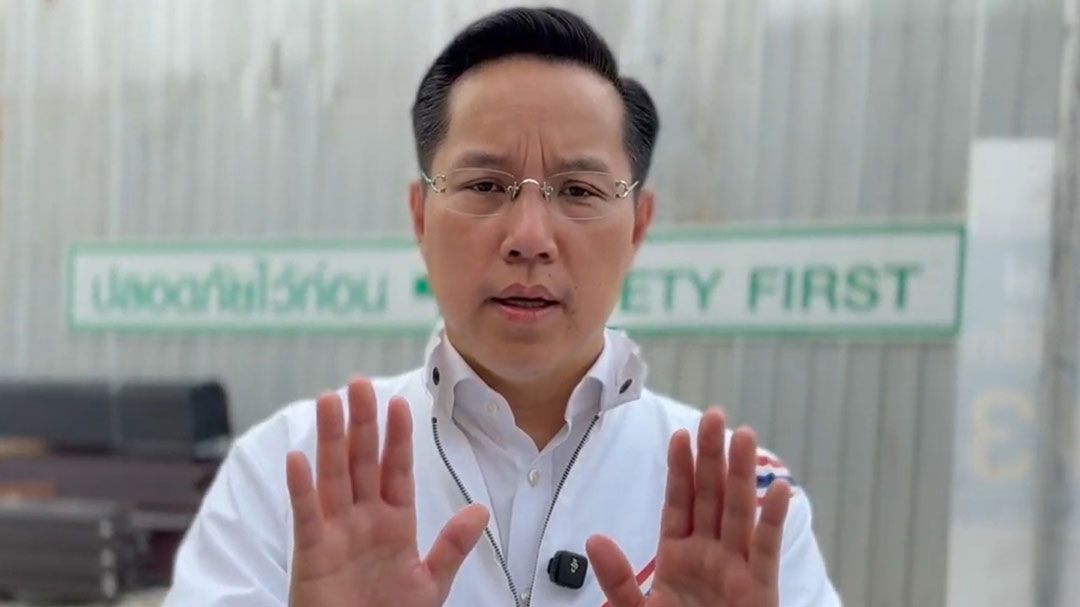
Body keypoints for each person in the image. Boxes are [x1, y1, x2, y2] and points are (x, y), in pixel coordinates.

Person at [164, 7, 841, 607]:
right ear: (420, 215)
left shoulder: (742, 504)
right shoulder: (289, 474)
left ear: (638, 224)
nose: (529, 237)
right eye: (485, 185)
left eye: (578, 191)